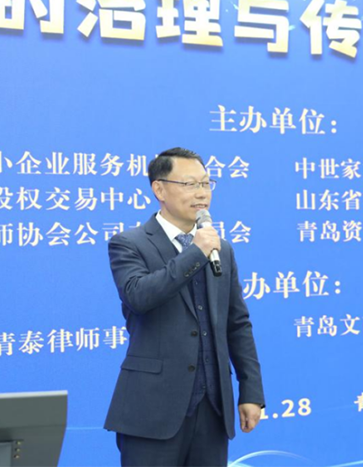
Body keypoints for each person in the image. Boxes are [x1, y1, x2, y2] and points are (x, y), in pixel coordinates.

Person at [104, 147, 265, 467]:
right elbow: (139, 296)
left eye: (206, 184)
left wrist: (251, 390)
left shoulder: (222, 250)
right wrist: (195, 252)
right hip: (152, 411)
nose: (202, 193)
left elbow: (237, 324)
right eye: (190, 184)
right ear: (159, 189)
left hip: (212, 409)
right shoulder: (129, 243)